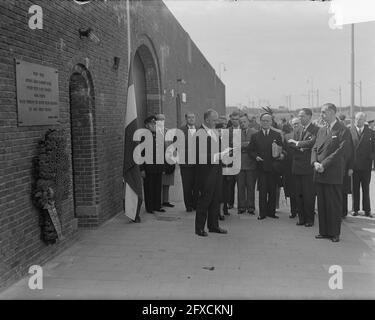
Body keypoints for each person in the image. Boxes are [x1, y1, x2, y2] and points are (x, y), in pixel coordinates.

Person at [311, 103, 351, 242]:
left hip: (332, 172)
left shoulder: (343, 130)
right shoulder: (321, 130)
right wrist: (315, 162)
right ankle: (324, 231)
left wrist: (324, 164)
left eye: (324, 112)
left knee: (333, 204)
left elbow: (341, 151)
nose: (321, 115)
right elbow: (315, 148)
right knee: (322, 204)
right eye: (321, 112)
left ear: (333, 112)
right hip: (319, 171)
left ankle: (334, 233)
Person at [195, 109, 227, 236]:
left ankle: (213, 226)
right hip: (205, 173)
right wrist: (217, 155)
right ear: (207, 120)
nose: (216, 122)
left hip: (216, 170)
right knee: (205, 200)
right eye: (214, 120)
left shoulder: (213, 132)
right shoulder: (200, 133)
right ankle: (199, 228)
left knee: (215, 199)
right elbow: (200, 155)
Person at [248, 113, 284, 220]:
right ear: (260, 121)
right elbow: (251, 150)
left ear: (271, 122)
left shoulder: (276, 135)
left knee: (272, 191)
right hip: (261, 167)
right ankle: (262, 213)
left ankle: (271, 212)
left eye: (267, 121)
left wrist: (281, 155)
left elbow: (282, 148)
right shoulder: (255, 136)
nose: (265, 122)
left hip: (273, 167)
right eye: (263, 120)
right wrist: (256, 157)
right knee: (262, 191)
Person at [288, 108, 319, 226]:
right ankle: (301, 218)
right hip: (297, 167)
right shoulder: (298, 130)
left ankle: (309, 219)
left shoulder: (315, 130)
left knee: (309, 195)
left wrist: (297, 144)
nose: (300, 118)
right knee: (298, 194)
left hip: (307, 168)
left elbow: (311, 144)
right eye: (299, 116)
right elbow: (289, 144)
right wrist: (300, 146)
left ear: (309, 116)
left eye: (302, 116)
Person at [349, 112, 375, 217]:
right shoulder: (350, 131)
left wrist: (371, 158)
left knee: (366, 188)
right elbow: (348, 149)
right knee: (354, 188)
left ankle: (367, 210)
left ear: (364, 120)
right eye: (356, 119)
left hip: (366, 165)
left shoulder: (371, 132)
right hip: (354, 165)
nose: (357, 121)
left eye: (360, 119)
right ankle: (355, 209)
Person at [140, 115, 166, 214]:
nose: (154, 125)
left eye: (155, 123)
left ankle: (157, 206)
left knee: (157, 187)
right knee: (149, 188)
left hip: (158, 167)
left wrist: (163, 167)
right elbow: (141, 153)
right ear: (146, 125)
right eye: (152, 123)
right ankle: (150, 207)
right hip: (148, 167)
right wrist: (142, 169)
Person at [237, 114, 258, 215]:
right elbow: (235, 145)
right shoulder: (237, 133)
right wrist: (247, 144)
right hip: (239, 164)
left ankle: (251, 207)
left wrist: (243, 145)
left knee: (250, 186)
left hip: (251, 163)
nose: (242, 124)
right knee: (240, 186)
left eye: (244, 122)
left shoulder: (254, 132)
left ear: (248, 122)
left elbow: (255, 145)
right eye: (240, 122)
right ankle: (241, 207)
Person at [155, 113, 175, 209]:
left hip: (168, 160)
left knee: (167, 182)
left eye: (163, 119)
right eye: (159, 119)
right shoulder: (154, 132)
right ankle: (158, 201)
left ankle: (166, 201)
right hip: (159, 160)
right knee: (159, 183)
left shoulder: (168, 131)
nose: (161, 121)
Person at [283, 117, 301, 219]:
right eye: (294, 124)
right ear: (291, 125)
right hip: (290, 167)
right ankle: (293, 211)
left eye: (297, 124)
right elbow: (284, 150)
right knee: (292, 191)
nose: (296, 126)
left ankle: (302, 210)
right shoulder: (287, 137)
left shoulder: (306, 135)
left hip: (302, 167)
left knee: (302, 190)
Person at [179, 112, 198, 212]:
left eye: (193, 117)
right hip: (185, 163)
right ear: (186, 119)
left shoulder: (200, 130)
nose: (191, 119)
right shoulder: (181, 130)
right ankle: (189, 205)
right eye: (189, 117)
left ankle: (196, 204)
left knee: (197, 185)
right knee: (187, 185)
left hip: (198, 164)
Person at [227, 111, 241, 209]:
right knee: (230, 184)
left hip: (241, 160)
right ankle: (230, 203)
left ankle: (242, 204)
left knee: (241, 185)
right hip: (231, 160)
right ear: (230, 120)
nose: (235, 121)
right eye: (233, 119)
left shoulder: (243, 129)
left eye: (236, 119)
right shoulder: (227, 131)